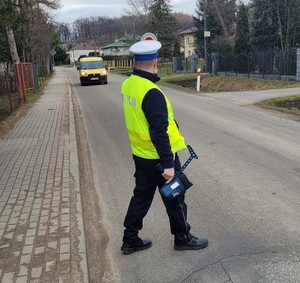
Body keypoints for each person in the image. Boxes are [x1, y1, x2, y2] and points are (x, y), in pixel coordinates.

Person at [120, 39, 208, 255]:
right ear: (155, 62)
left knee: (140, 197)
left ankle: (130, 239)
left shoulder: (128, 84)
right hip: (159, 159)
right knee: (175, 197)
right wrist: (169, 164)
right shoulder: (152, 92)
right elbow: (158, 131)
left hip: (141, 156)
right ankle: (182, 237)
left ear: (134, 61)